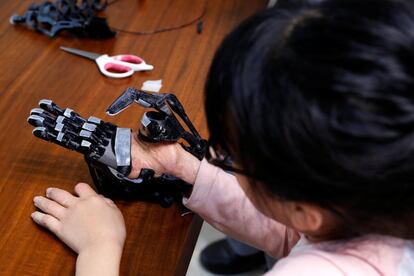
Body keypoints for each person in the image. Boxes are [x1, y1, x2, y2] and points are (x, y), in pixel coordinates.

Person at [31, 0, 414, 275]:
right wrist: (183, 167)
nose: (216, 152)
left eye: (231, 155)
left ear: (302, 205)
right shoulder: (376, 207)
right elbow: (297, 234)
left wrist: (100, 248)